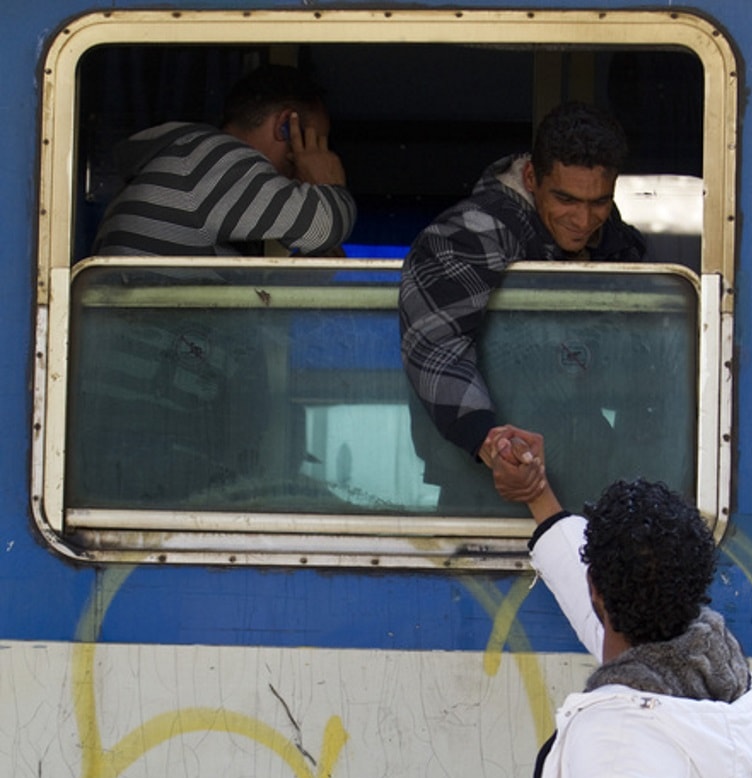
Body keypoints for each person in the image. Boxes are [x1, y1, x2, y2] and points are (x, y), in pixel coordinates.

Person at [487, 428, 752, 778]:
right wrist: (537, 494)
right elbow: (599, 606)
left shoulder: (616, 743)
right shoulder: (709, 672)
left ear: (596, 590)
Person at [399, 102, 645, 473]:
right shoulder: (473, 232)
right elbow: (436, 346)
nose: (583, 220)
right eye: (566, 199)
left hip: (582, 471)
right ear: (531, 177)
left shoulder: (615, 241)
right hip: (484, 477)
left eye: (599, 202)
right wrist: (492, 445)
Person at [92, 63, 356, 257]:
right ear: (286, 125)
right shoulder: (214, 158)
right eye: (315, 143)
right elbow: (323, 226)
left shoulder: (198, 165)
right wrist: (329, 186)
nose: (314, 157)